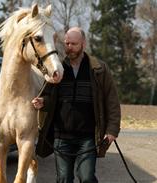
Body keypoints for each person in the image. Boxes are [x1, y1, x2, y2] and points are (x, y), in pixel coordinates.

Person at [32, 27, 121, 183]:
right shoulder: (58, 69)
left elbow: (112, 101)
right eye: (67, 43)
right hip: (61, 137)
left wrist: (112, 130)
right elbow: (48, 97)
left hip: (87, 138)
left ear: (83, 44)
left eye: (74, 44)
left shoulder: (98, 69)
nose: (69, 47)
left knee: (86, 178)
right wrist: (43, 102)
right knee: (64, 179)